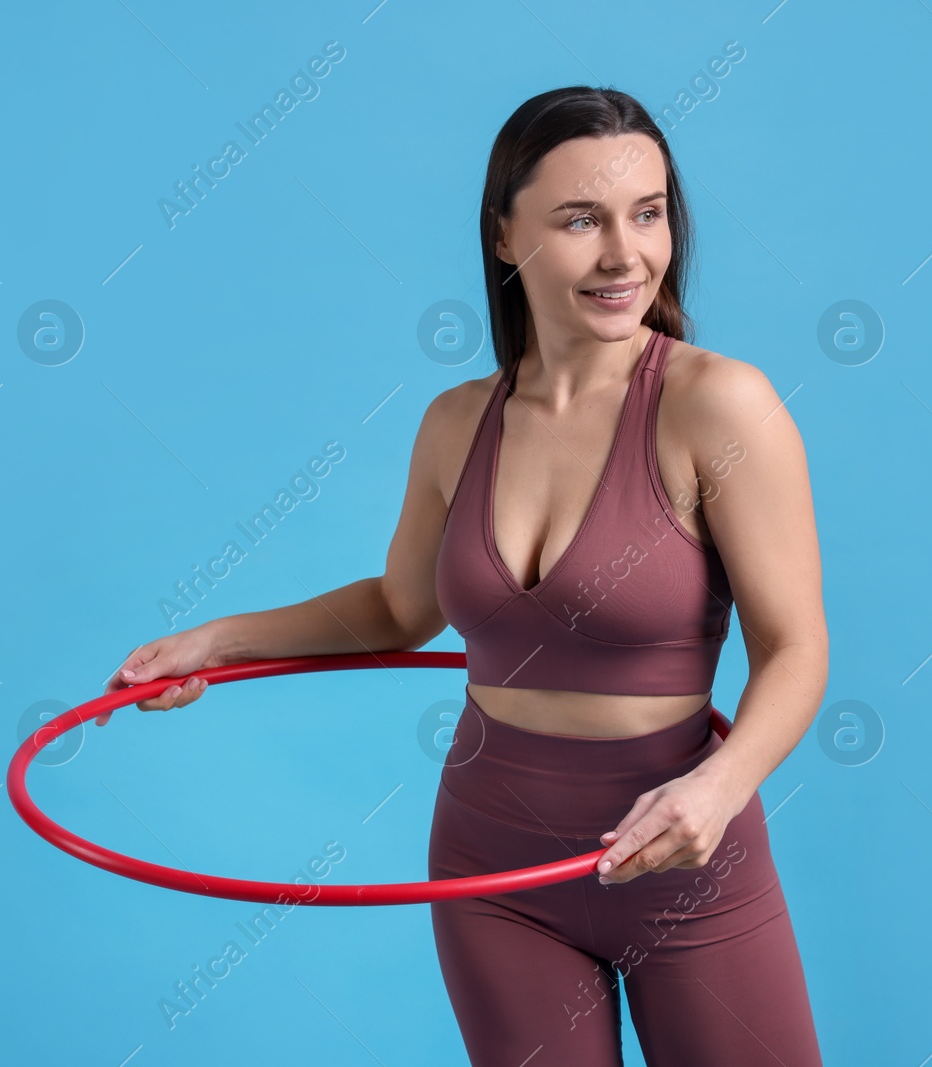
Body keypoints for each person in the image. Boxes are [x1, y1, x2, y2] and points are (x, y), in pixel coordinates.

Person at [103, 85, 826, 1066]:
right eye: (580, 219)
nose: (625, 254)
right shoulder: (457, 421)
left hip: (681, 859)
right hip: (494, 867)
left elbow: (794, 648)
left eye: (646, 214)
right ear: (503, 234)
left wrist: (718, 785)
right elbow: (398, 609)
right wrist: (214, 641)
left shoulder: (718, 407)